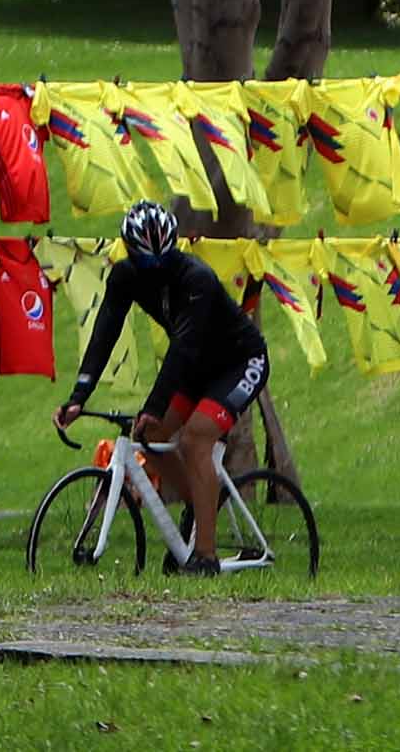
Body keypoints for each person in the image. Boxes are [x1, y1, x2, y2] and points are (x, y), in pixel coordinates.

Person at [53, 201, 270, 577]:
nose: (155, 271)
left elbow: (182, 349)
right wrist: (78, 397)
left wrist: (154, 403)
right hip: (198, 366)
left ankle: (205, 556)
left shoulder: (196, 279)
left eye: (162, 261)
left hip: (239, 363)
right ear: (130, 252)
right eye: (146, 263)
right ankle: (201, 501)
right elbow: (104, 334)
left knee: (195, 439)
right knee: (148, 434)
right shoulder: (124, 277)